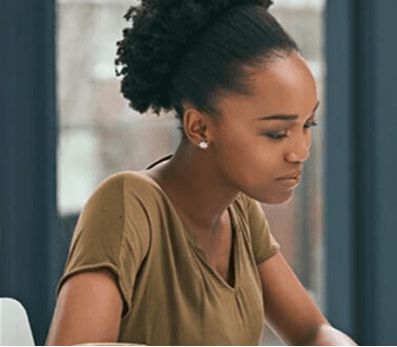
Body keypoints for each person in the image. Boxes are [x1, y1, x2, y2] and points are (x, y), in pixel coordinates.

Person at [45, 0, 356, 345]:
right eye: (276, 133)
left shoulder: (240, 214)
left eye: (307, 125)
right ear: (199, 127)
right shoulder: (127, 205)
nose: (301, 151)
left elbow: (312, 332)